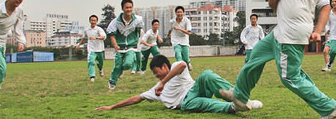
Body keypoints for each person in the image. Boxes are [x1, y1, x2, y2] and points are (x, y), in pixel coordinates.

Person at [225, 0, 336, 118]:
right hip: (284, 31)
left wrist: (277, 7)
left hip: (289, 33)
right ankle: (240, 96)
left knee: (290, 77)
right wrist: (318, 31)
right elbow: (325, 6)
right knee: (256, 54)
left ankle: (329, 107)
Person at [94, 55, 262, 113]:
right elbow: (137, 98)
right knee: (193, 103)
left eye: (156, 72)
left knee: (206, 75)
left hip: (196, 89)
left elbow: (182, 66)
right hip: (186, 102)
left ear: (164, 67)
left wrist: (163, 83)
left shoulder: (175, 67)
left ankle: (237, 96)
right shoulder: (156, 89)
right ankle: (233, 107)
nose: (156, 77)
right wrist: (112, 107)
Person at [105, 0, 145, 89]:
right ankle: (112, 81)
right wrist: (115, 45)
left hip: (131, 46)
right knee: (117, 65)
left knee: (128, 64)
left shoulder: (138, 20)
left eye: (130, 7)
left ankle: (121, 70)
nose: (129, 9)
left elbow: (139, 31)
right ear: (122, 9)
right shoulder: (115, 22)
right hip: (120, 47)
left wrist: (137, 42)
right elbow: (111, 34)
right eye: (127, 7)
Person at [76, 15, 106, 82]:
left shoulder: (99, 29)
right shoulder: (87, 30)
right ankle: (92, 76)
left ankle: (100, 69)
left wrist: (96, 38)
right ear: (89, 21)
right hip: (91, 49)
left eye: (94, 20)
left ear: (96, 21)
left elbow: (103, 37)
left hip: (99, 49)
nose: (93, 22)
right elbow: (83, 38)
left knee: (100, 63)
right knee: (91, 62)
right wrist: (78, 45)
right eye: (91, 20)